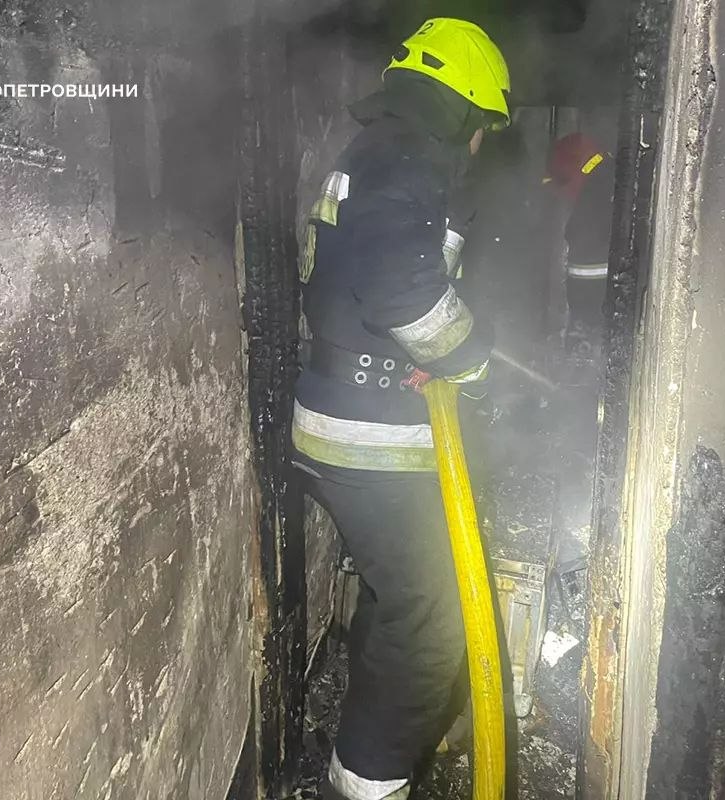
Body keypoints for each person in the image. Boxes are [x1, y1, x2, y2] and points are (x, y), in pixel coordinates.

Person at [290, 18, 511, 800]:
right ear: (462, 106)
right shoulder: (405, 154)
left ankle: (363, 749)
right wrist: (470, 360)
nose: (480, 145)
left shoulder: (379, 151)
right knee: (434, 627)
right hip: (370, 432)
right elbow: (400, 286)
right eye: (483, 126)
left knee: (396, 598)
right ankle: (368, 786)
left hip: (351, 416)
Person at [543, 132, 613, 361]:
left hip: (596, 305)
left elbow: (587, 266)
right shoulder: (605, 174)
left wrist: (583, 317)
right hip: (596, 308)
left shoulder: (594, 192)